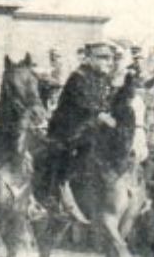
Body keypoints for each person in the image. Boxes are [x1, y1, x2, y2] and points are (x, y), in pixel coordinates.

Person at [40, 42, 118, 212]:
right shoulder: (78, 76)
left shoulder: (103, 78)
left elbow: (108, 101)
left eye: (111, 58)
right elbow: (84, 102)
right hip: (69, 128)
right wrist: (101, 115)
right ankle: (56, 193)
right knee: (63, 155)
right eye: (103, 57)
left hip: (91, 127)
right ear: (89, 58)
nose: (109, 62)